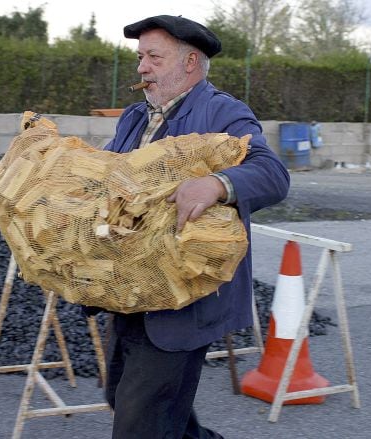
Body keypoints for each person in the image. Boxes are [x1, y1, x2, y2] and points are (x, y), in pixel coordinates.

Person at [97, 15, 291, 438]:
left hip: (184, 298)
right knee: (127, 400)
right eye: (140, 57)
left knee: (140, 422)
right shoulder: (134, 118)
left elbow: (273, 174)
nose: (141, 67)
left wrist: (218, 183)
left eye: (153, 57)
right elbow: (107, 175)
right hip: (131, 290)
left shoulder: (223, 111)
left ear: (189, 63)